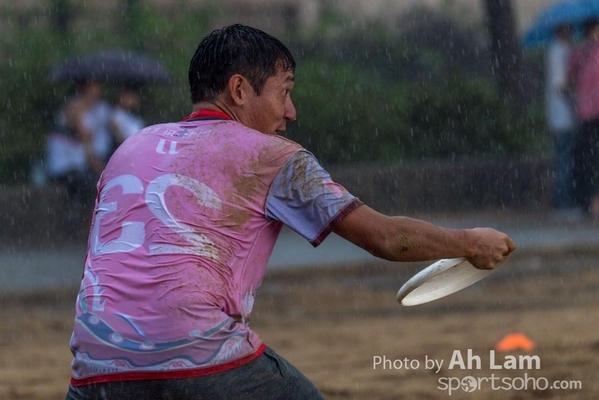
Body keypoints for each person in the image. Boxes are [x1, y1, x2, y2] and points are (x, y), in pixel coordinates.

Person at [65, 24, 516, 399]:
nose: (291, 111)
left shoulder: (131, 146)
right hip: (198, 355)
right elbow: (386, 237)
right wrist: (469, 242)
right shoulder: (271, 155)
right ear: (239, 89)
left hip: (94, 365)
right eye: (284, 92)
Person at [46, 79, 112, 207]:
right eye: (96, 85)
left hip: (78, 167)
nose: (100, 90)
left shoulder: (92, 110)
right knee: (95, 189)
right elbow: (85, 141)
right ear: (86, 87)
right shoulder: (74, 107)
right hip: (65, 168)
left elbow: (89, 150)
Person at [545, 23, 578, 217]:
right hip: (562, 116)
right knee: (564, 160)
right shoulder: (557, 52)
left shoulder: (563, 50)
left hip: (563, 116)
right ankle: (562, 202)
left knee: (565, 159)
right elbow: (560, 85)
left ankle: (564, 200)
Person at [568, 18, 599, 220]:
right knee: (591, 160)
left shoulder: (579, 53)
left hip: (585, 113)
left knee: (589, 160)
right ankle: (593, 203)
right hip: (589, 113)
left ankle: (591, 203)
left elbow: (568, 81)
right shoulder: (583, 53)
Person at [108, 85, 145, 154]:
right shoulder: (115, 115)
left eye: (133, 96)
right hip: (124, 153)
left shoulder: (135, 117)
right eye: (128, 96)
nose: (132, 99)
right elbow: (118, 137)